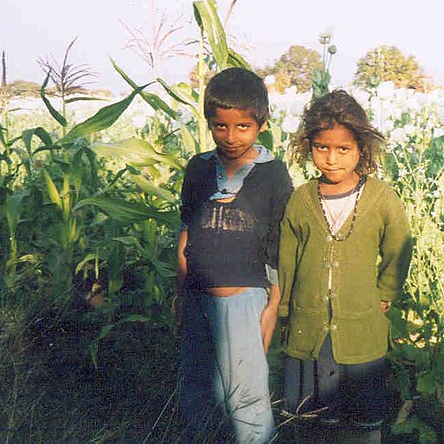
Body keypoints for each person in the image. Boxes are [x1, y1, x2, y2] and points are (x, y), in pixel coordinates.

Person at [278, 90, 413, 443]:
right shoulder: (301, 199)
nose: (332, 159)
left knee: (362, 423)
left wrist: (386, 293)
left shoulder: (382, 197)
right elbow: (287, 258)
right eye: (322, 148)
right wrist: (283, 309)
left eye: (343, 149)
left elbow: (399, 246)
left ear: (362, 150)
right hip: (308, 329)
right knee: (314, 422)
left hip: (361, 331)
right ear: (310, 147)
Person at [175, 67, 293, 443]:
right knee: (196, 390)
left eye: (243, 126)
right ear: (209, 122)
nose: (230, 136)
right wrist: (180, 294)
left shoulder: (273, 174)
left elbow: (277, 246)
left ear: (262, 122)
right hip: (196, 297)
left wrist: (272, 307)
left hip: (244, 303)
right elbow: (186, 234)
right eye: (219, 126)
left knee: (247, 396)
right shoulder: (197, 170)